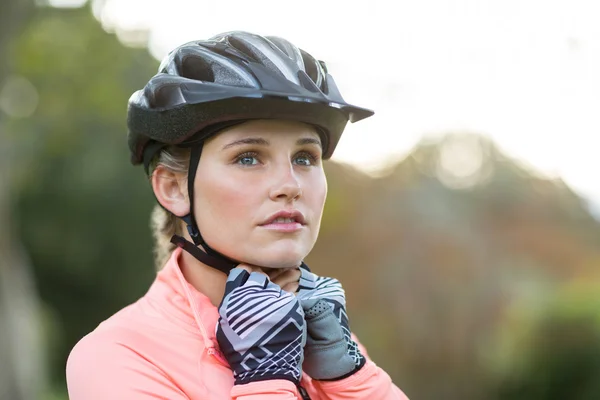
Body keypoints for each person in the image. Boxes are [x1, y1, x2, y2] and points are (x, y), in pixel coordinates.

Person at [66, 31, 409, 399]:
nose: (289, 185)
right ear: (173, 188)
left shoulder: (323, 336)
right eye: (248, 158)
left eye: (305, 157)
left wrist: (350, 379)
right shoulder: (116, 358)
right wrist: (266, 379)